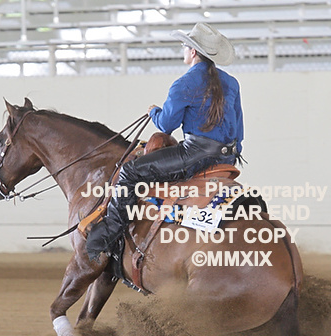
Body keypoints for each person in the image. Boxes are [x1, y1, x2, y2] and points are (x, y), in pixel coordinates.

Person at [86, 22, 244, 261]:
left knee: (129, 171)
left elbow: (166, 125)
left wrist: (154, 112)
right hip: (227, 156)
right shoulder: (231, 82)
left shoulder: (184, 83)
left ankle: (109, 234)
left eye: (184, 46)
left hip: (195, 155)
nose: (183, 49)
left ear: (193, 51)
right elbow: (239, 128)